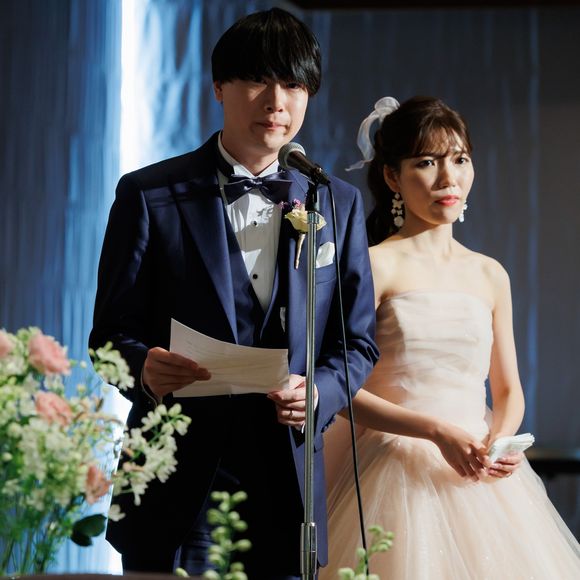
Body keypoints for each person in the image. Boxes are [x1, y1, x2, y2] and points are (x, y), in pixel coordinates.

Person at [89, 7, 378, 579]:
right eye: (256, 81)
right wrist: (143, 367)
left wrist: (319, 393)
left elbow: (358, 343)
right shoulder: (149, 194)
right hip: (174, 480)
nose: (276, 101)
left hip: (289, 483)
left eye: (293, 85)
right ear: (219, 87)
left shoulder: (333, 201)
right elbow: (107, 337)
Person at [321, 96, 580, 578]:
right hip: (394, 468)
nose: (448, 178)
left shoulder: (490, 274)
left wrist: (501, 441)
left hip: (481, 469)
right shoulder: (374, 265)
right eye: (427, 162)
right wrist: (435, 432)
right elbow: (339, 390)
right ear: (392, 177)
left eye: (459, 159)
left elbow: (507, 389)